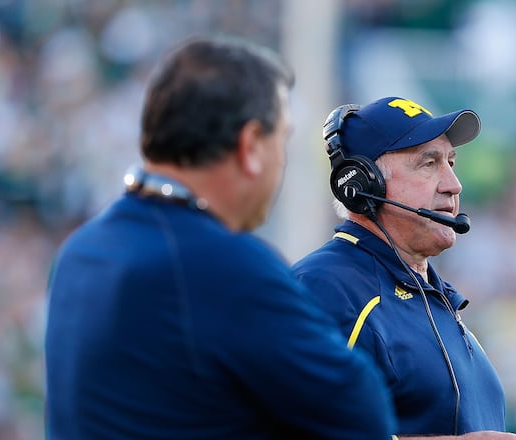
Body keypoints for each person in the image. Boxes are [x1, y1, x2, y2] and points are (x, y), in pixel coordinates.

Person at [44, 36, 397, 439]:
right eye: (282, 139)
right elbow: (363, 417)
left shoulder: (80, 250)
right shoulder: (224, 266)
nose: (283, 160)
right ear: (250, 146)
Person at [293, 96, 516, 439]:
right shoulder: (325, 288)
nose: (453, 184)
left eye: (451, 161)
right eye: (428, 163)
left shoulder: (433, 299)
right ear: (362, 185)